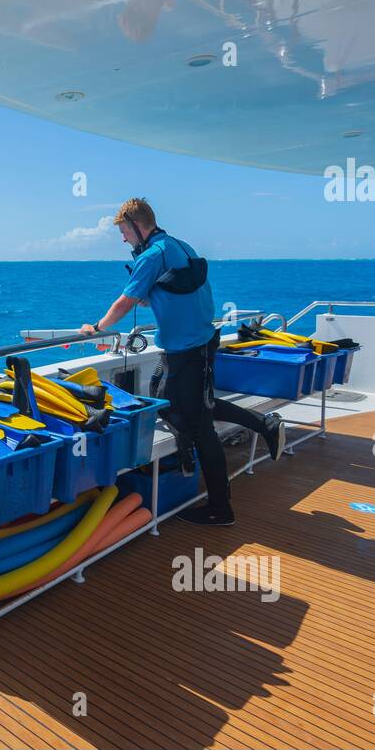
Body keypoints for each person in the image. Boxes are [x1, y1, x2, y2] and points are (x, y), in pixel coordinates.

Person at [82, 198, 284, 526]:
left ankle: (221, 507)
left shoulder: (151, 256)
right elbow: (178, 290)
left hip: (189, 351)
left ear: (136, 226)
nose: (123, 240)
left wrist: (97, 328)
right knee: (172, 403)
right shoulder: (179, 246)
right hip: (193, 346)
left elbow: (125, 302)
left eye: (123, 232)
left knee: (198, 424)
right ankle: (262, 425)